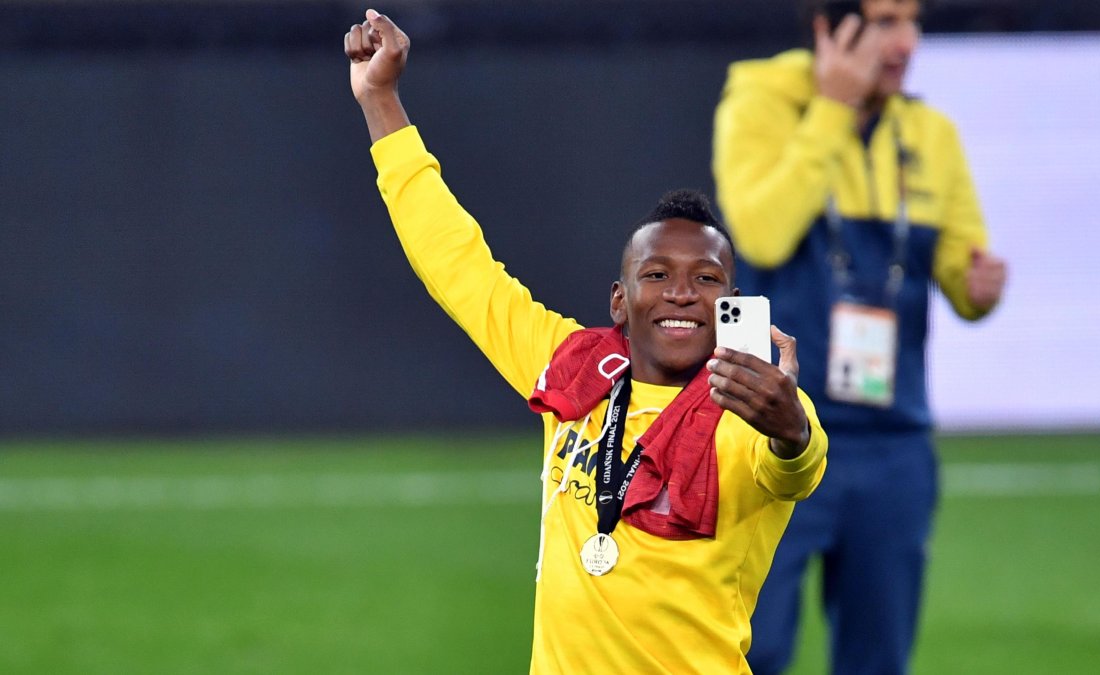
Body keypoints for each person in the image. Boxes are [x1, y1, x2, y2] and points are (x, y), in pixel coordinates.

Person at [344, 9, 831, 674]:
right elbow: (456, 262)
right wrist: (381, 100)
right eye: (656, 275)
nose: (682, 292)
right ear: (619, 302)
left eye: (706, 279)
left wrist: (793, 426)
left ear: (732, 305)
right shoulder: (574, 366)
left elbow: (797, 462)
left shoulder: (747, 409)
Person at [712, 1, 1008, 673]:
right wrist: (832, 110)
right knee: (750, 652)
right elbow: (760, 231)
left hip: (890, 437)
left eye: (912, 19)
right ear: (828, 30)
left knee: (879, 659)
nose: (905, 40)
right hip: (768, 433)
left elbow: (963, 276)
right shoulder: (758, 99)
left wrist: (979, 287)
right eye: (882, 21)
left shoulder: (930, 133)